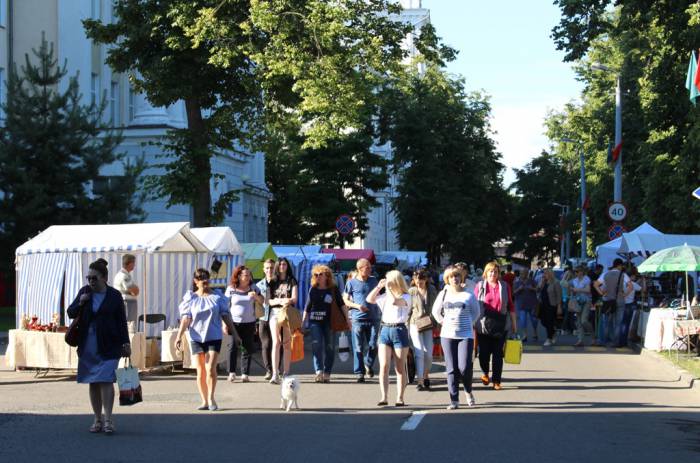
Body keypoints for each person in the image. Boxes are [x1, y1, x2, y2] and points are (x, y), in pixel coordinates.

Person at [67, 259, 130, 434]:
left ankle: (108, 419)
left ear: (104, 278)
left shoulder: (114, 295)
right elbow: (70, 312)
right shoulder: (85, 292)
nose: (91, 282)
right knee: (93, 382)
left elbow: (121, 322)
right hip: (88, 344)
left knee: (107, 379)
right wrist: (81, 302)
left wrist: (126, 343)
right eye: (89, 278)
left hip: (110, 343)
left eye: (94, 278)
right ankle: (97, 419)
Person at [174, 268, 237, 411]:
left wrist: (235, 333)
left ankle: (211, 397)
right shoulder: (191, 298)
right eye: (201, 278)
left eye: (206, 277)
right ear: (195, 281)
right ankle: (204, 401)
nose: (204, 280)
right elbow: (186, 319)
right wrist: (178, 336)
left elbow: (226, 316)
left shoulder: (217, 297)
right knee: (200, 370)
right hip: (196, 337)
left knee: (210, 369)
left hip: (213, 336)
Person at [432, 266, 481, 409]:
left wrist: (468, 323)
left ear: (461, 278)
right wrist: (443, 321)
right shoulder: (443, 294)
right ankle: (454, 400)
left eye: (457, 276)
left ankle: (468, 391)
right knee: (451, 368)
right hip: (447, 335)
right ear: (447, 279)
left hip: (465, 335)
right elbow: (435, 312)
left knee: (464, 367)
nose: (455, 279)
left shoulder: (469, 294)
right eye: (452, 276)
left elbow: (476, 312)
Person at [366, 270, 411, 407]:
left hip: (399, 330)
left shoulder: (406, 296)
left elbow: (394, 302)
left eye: (389, 280)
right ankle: (384, 396)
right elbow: (369, 299)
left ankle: (400, 397)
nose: (387, 283)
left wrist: (390, 288)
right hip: (385, 329)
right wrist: (379, 287)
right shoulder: (385, 295)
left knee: (399, 367)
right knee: (384, 366)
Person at [302, 264, 347, 383]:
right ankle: (319, 371)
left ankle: (327, 372)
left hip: (329, 321)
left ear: (327, 276)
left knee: (330, 347)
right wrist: (303, 323)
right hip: (314, 322)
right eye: (315, 275)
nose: (317, 277)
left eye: (320, 274)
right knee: (316, 345)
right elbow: (307, 307)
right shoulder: (313, 289)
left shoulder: (333, 288)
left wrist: (348, 320)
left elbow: (342, 304)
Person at [475, 262, 516, 390]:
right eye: (490, 271)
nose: (493, 274)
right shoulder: (480, 286)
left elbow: (510, 305)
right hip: (483, 325)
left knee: (498, 354)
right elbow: (474, 306)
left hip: (500, 324)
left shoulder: (504, 286)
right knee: (484, 354)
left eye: (495, 272)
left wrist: (514, 324)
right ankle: (485, 373)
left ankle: (497, 381)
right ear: (486, 273)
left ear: (499, 274)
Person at [343, 258, 380, 383]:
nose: (370, 269)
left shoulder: (374, 280)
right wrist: (357, 306)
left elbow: (379, 296)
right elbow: (345, 300)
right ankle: (359, 372)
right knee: (358, 347)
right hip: (358, 319)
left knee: (374, 344)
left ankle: (368, 363)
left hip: (374, 318)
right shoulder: (351, 283)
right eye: (368, 267)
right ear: (360, 269)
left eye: (370, 267)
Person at [224, 265, 263, 383]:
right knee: (232, 347)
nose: (248, 277)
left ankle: (245, 373)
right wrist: (224, 324)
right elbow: (224, 307)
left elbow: (263, 301)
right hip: (233, 323)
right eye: (245, 275)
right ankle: (231, 372)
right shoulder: (231, 289)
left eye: (249, 275)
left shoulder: (254, 288)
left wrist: (255, 296)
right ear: (239, 276)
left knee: (247, 348)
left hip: (249, 322)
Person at [267, 257, 298, 384]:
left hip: (287, 312)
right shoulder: (272, 281)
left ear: (287, 266)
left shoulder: (292, 280)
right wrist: (279, 300)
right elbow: (268, 300)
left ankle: (286, 372)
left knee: (286, 343)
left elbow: (295, 298)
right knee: (276, 342)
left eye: (284, 264)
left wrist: (288, 300)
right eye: (280, 264)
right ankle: (275, 373)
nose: (282, 267)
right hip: (275, 312)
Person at [407, 268, 438, 391]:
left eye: (422, 279)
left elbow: (436, 307)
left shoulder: (432, 290)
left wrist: (437, 323)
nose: (419, 282)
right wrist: (405, 325)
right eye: (417, 279)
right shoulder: (411, 292)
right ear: (413, 280)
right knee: (419, 352)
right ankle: (420, 380)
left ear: (426, 279)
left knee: (429, 355)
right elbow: (408, 310)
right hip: (415, 323)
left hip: (428, 324)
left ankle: (425, 374)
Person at [593, 258, 632, 347]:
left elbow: (595, 284)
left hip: (607, 301)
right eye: (622, 266)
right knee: (618, 322)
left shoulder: (605, 274)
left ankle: (603, 341)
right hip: (620, 301)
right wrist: (625, 295)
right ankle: (616, 342)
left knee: (606, 322)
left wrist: (601, 293)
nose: (622, 267)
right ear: (619, 265)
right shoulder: (623, 275)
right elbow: (631, 286)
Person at [256, 259, 277, 380]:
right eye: (267, 268)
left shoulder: (279, 283)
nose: (269, 270)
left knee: (277, 342)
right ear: (264, 269)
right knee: (266, 344)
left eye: (272, 268)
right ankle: (269, 370)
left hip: (276, 316)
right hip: (263, 317)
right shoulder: (259, 285)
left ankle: (276, 369)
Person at [537, 268, 562, 346]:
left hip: (552, 305)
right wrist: (542, 281)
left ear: (550, 274)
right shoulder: (544, 282)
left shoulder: (556, 282)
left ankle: (549, 338)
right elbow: (538, 289)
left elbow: (559, 295)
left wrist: (559, 306)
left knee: (549, 322)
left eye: (546, 274)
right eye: (544, 274)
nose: (544, 275)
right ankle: (553, 332)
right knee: (543, 321)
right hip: (543, 304)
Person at [569, 266, 593, 346]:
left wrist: (577, 290)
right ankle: (580, 340)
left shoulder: (587, 279)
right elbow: (562, 283)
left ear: (582, 272)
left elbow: (588, 290)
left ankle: (593, 335)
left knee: (584, 321)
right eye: (575, 272)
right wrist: (566, 274)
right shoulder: (574, 280)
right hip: (578, 301)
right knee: (579, 322)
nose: (576, 273)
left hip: (586, 301)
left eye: (577, 271)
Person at [618, 267, 641, 347]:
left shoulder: (622, 282)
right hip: (629, 305)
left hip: (621, 304)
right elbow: (643, 289)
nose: (635, 278)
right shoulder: (633, 284)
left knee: (621, 323)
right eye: (634, 276)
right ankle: (623, 342)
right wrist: (643, 280)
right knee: (626, 324)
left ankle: (619, 341)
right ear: (631, 276)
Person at [113, 254, 139, 324]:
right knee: (130, 325)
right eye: (134, 263)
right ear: (130, 264)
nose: (134, 265)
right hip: (128, 303)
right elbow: (135, 291)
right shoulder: (124, 276)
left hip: (124, 302)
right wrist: (136, 289)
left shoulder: (122, 274)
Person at [513, 269, 538, 342]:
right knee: (523, 320)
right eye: (521, 273)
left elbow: (538, 289)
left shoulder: (532, 281)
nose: (523, 275)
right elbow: (513, 293)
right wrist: (519, 289)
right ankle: (524, 335)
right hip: (521, 304)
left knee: (534, 320)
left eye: (525, 273)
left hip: (532, 303)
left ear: (527, 274)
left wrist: (532, 288)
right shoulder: (516, 282)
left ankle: (535, 332)